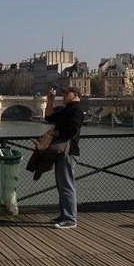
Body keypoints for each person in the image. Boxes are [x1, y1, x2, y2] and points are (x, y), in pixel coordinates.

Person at [44, 85, 84, 228]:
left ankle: (70, 219)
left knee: (67, 185)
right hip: (61, 151)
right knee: (62, 185)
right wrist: (50, 100)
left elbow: (72, 129)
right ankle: (64, 215)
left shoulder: (77, 110)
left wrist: (57, 133)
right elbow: (48, 117)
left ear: (75, 94)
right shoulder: (67, 109)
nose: (63, 95)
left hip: (68, 150)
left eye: (66, 93)